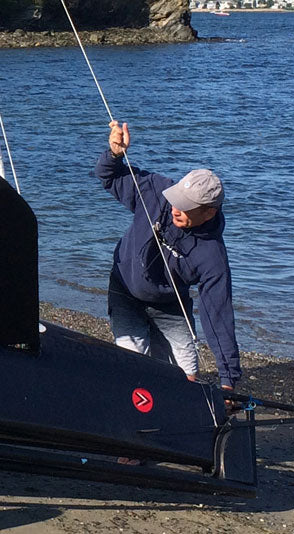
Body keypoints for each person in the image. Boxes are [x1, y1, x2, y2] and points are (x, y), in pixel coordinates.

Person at [95, 120, 241, 390]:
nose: (175, 209)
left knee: (185, 377)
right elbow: (108, 177)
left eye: (186, 208)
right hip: (125, 288)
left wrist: (228, 380)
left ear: (209, 212)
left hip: (170, 304)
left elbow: (217, 314)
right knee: (133, 366)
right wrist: (115, 154)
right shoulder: (157, 193)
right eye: (176, 200)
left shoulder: (212, 256)